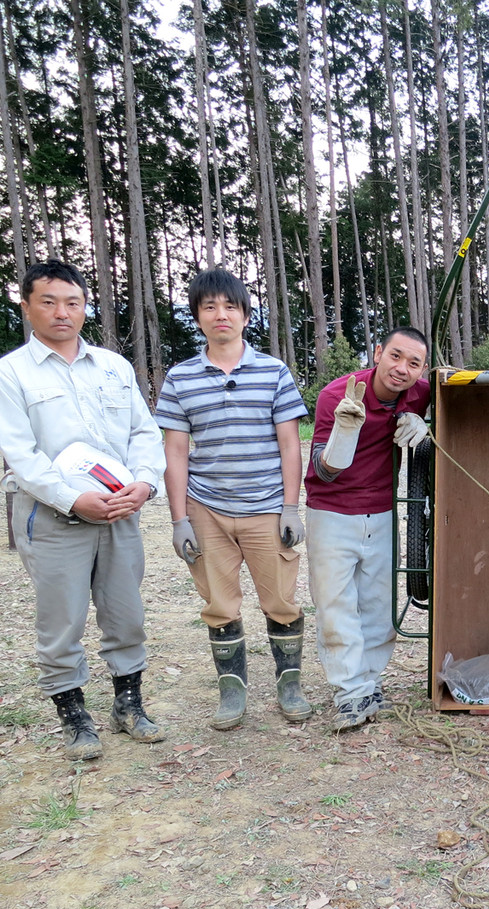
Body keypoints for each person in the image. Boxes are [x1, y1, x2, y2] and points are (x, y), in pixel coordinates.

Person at [0, 260, 166, 760]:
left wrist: (146, 484)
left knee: (126, 614)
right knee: (61, 620)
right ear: (26, 306)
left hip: (119, 513)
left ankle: (129, 704)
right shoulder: (9, 375)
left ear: (86, 306)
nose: (62, 312)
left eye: (72, 302)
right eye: (48, 301)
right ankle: (73, 715)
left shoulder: (114, 367)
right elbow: (21, 455)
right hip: (53, 518)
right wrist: (72, 498)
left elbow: (142, 432)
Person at [156, 268, 310, 731]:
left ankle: (290, 685)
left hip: (266, 506)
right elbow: (176, 451)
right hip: (207, 508)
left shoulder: (273, 371)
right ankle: (232, 691)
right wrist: (179, 519)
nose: (220, 315)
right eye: (209, 307)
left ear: (245, 315)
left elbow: (290, 443)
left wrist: (290, 506)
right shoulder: (181, 378)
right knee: (220, 604)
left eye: (230, 306)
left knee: (281, 600)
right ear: (197, 317)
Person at [305, 327, 430, 733]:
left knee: (377, 605)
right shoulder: (338, 395)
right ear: (378, 353)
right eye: (395, 356)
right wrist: (345, 432)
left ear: (422, 369)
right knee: (336, 605)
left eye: (414, 363)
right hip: (332, 511)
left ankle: (369, 684)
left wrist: (426, 422)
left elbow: (460, 392)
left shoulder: (421, 392)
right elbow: (323, 472)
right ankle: (349, 692)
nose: (402, 368)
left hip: (381, 511)